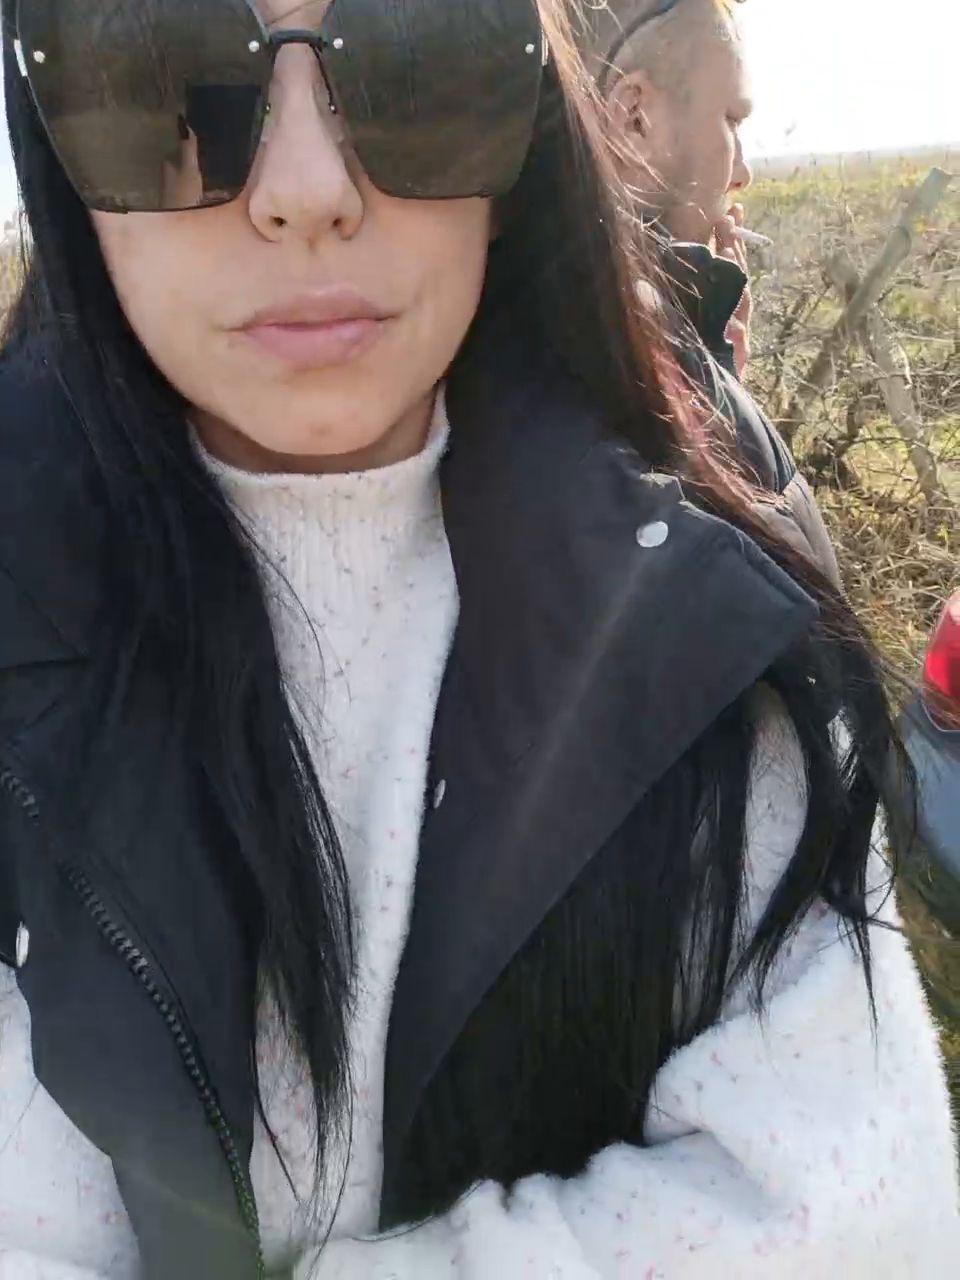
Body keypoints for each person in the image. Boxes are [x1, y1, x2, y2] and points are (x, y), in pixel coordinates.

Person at [0, 2, 956, 1278]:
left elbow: (863, 1214)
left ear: (524, 134)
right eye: (159, 67)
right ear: (55, 150)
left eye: (418, 56)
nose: (305, 190)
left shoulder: (705, 630)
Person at [580, 0, 842, 580]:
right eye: (732, 121)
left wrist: (713, 377)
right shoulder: (589, 403)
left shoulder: (614, 348)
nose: (742, 171)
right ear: (633, 119)